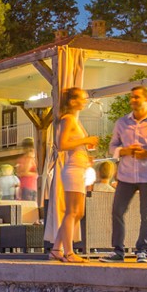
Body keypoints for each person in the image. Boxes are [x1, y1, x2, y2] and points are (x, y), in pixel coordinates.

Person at [101, 85, 147, 263]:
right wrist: (123, 151)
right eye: (131, 97)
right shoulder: (121, 123)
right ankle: (118, 251)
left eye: (137, 97)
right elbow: (112, 147)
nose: (133, 100)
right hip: (126, 175)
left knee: (146, 213)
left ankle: (143, 250)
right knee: (117, 210)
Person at [47, 87, 99, 263]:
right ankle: (68, 252)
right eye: (82, 98)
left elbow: (72, 144)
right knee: (73, 211)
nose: (85, 101)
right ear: (73, 101)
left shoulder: (75, 120)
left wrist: (86, 153)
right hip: (73, 169)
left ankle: (56, 248)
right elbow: (61, 144)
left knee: (78, 212)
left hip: (79, 167)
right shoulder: (68, 119)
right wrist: (86, 140)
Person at [15, 137, 38, 201]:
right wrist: (36, 174)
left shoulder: (21, 159)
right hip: (30, 186)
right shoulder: (29, 159)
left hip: (25, 186)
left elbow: (19, 173)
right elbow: (26, 172)